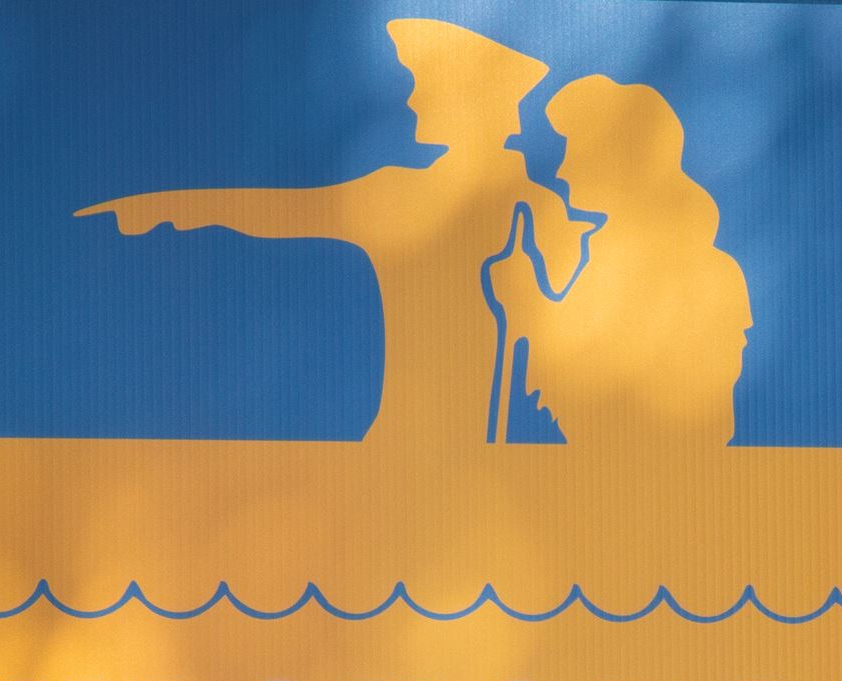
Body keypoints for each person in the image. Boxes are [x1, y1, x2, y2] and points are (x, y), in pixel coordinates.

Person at [77, 19, 591, 446]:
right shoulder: (402, 194)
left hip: (479, 461)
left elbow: (581, 330)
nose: (412, 102)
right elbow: (280, 213)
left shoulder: (530, 209)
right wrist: (171, 210)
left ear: (472, 105)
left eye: (423, 88)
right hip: (396, 446)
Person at [485, 75, 751, 447]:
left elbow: (598, 392)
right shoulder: (604, 259)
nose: (561, 171)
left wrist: (526, 309)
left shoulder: (705, 272)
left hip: (666, 482)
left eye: (574, 152)